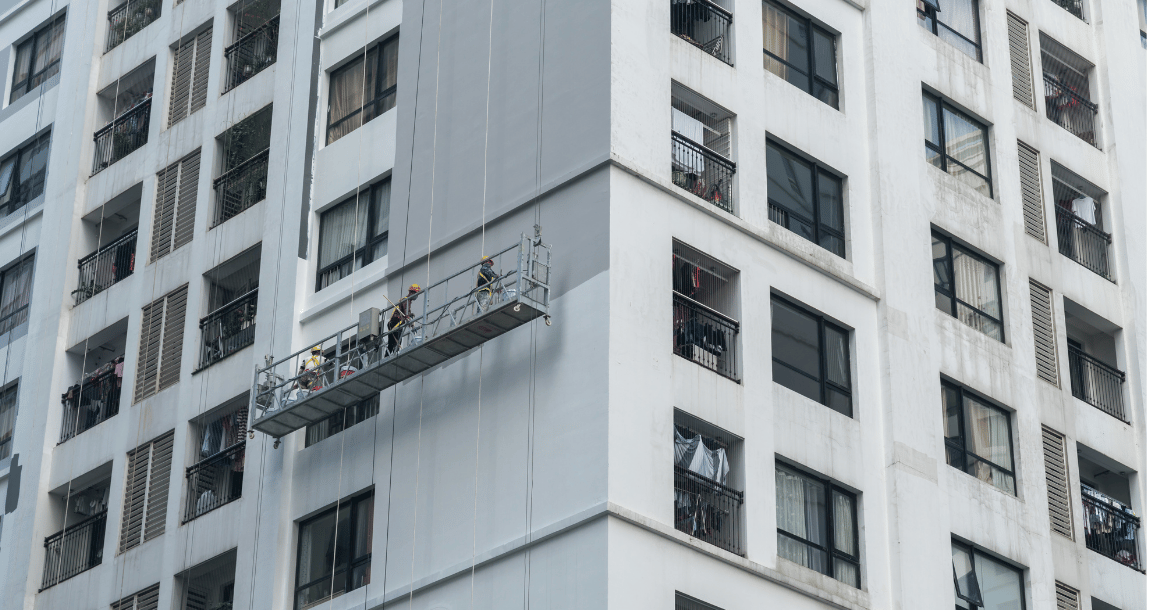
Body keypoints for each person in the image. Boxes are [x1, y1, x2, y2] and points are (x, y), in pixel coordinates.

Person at [388, 284, 420, 354]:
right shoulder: (406, 300)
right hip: (396, 323)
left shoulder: (407, 301)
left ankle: (390, 356)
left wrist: (411, 324)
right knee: (396, 342)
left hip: (395, 323)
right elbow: (406, 314)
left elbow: (407, 315)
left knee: (392, 344)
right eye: (416, 294)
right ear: (412, 293)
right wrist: (411, 322)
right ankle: (394, 356)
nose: (417, 296)